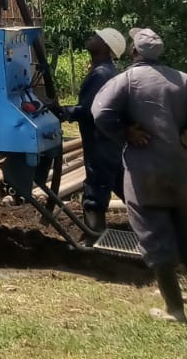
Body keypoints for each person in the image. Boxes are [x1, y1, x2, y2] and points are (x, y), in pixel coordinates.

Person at [91, 27, 187, 324]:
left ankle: (174, 309)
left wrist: (125, 133)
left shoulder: (126, 80)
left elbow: (100, 113)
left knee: (155, 236)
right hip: (182, 170)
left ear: (134, 53)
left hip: (145, 172)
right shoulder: (182, 80)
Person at [55, 27, 126, 235]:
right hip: (106, 139)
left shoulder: (102, 74)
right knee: (119, 183)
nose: (92, 38)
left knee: (96, 187)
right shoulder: (103, 70)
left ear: (106, 47)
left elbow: (90, 110)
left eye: (97, 37)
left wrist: (64, 112)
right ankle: (156, 225)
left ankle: (93, 236)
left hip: (99, 140)